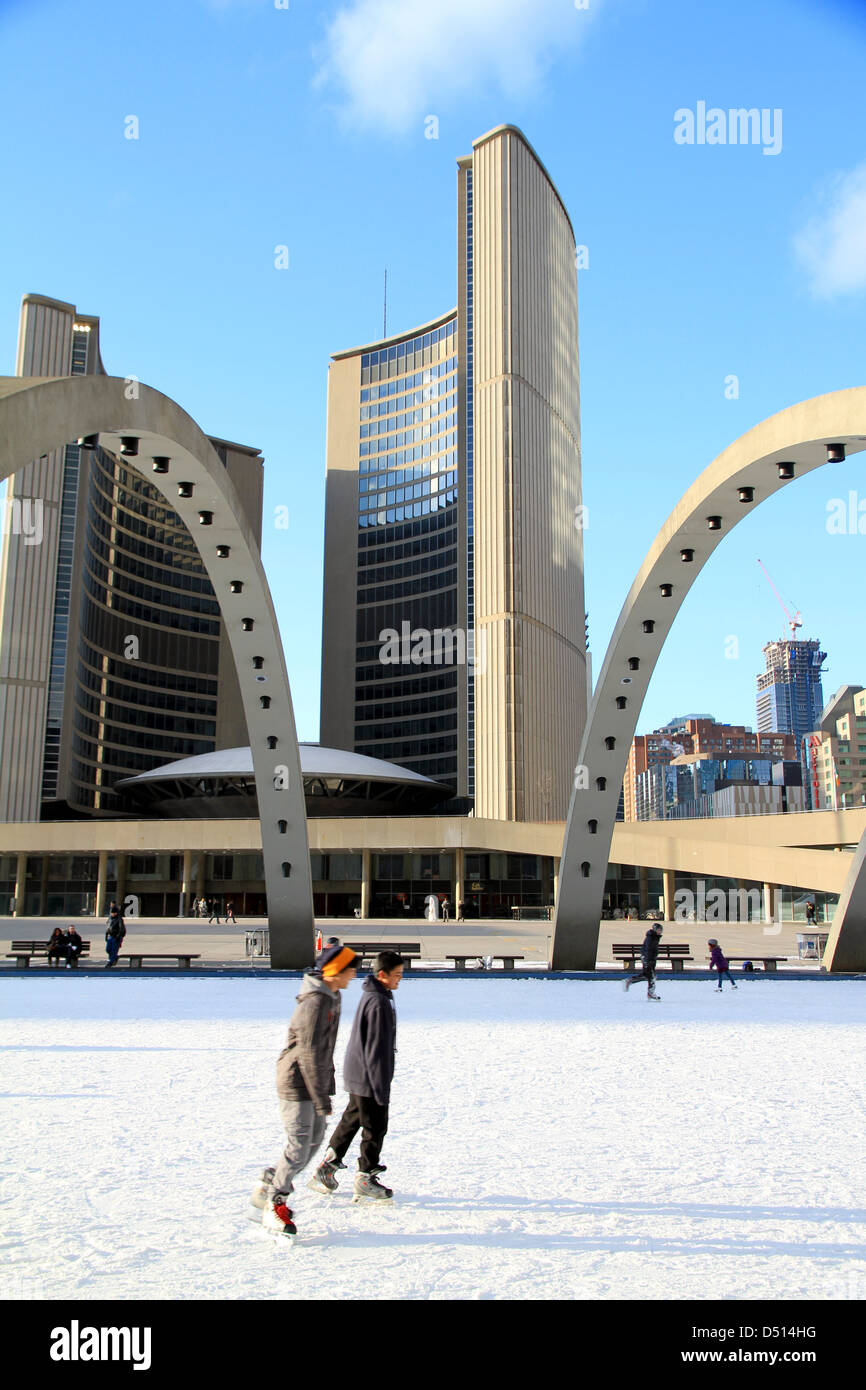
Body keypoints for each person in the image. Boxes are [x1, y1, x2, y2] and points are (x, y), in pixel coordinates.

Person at [256, 943, 360, 1238]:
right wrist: (321, 1097)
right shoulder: (316, 1002)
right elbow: (309, 1053)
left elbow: (322, 1051)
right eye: (350, 968)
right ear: (334, 971)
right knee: (301, 1143)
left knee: (313, 1142)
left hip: (310, 1081)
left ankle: (270, 1182)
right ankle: (275, 1201)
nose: (354, 974)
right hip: (296, 1081)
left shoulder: (332, 995)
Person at [310, 950, 403, 1203]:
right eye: (396, 975)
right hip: (368, 1075)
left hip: (361, 1073)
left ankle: (327, 1167)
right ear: (382, 975)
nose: (399, 980)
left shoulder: (378, 995)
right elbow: (374, 1046)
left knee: (352, 1120)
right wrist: (379, 1085)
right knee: (375, 1126)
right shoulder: (378, 1002)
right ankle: (366, 1176)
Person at [623, 923, 662, 1000]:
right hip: (647, 958)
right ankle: (650, 993)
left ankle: (630, 980)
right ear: (654, 929)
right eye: (658, 930)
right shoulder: (651, 937)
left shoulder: (655, 937)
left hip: (650, 958)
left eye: (661, 930)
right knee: (651, 976)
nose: (660, 931)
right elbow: (648, 949)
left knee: (646, 975)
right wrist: (648, 960)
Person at [105, 902, 126, 968]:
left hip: (116, 937)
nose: (112, 914)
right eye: (112, 913)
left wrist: (118, 936)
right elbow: (108, 927)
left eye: (113, 913)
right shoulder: (110, 919)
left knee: (114, 950)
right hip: (110, 936)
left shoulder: (119, 919)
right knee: (108, 949)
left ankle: (110, 962)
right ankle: (115, 957)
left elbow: (121, 929)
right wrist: (106, 935)